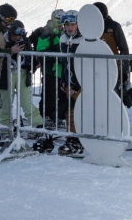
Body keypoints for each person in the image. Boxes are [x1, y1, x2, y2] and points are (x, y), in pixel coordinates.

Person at [0, 20, 43, 129]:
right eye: (14, 35)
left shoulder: (25, 41)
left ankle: (38, 123)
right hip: (7, 73)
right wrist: (11, 52)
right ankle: (5, 128)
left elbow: (29, 55)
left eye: (19, 36)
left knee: (26, 101)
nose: (16, 38)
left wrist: (34, 63)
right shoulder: (2, 40)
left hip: (23, 73)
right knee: (6, 102)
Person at [57, 10, 85, 155]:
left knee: (81, 110)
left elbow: (84, 64)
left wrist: (79, 85)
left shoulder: (83, 39)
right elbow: (64, 61)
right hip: (70, 81)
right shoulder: (63, 38)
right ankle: (72, 138)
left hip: (82, 82)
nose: (70, 27)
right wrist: (63, 80)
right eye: (67, 24)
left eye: (73, 24)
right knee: (70, 111)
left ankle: (80, 139)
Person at [93, 2, 131, 107]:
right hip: (95, 69)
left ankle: (115, 119)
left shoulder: (114, 26)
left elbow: (124, 48)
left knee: (113, 96)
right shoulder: (91, 27)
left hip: (112, 68)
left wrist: (123, 70)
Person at [34, 11, 66, 129]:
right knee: (49, 95)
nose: (60, 23)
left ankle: (56, 116)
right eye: (58, 20)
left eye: (62, 20)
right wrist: (56, 55)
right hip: (50, 70)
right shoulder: (46, 34)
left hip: (62, 71)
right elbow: (40, 50)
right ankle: (45, 115)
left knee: (62, 95)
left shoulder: (64, 33)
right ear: (52, 19)